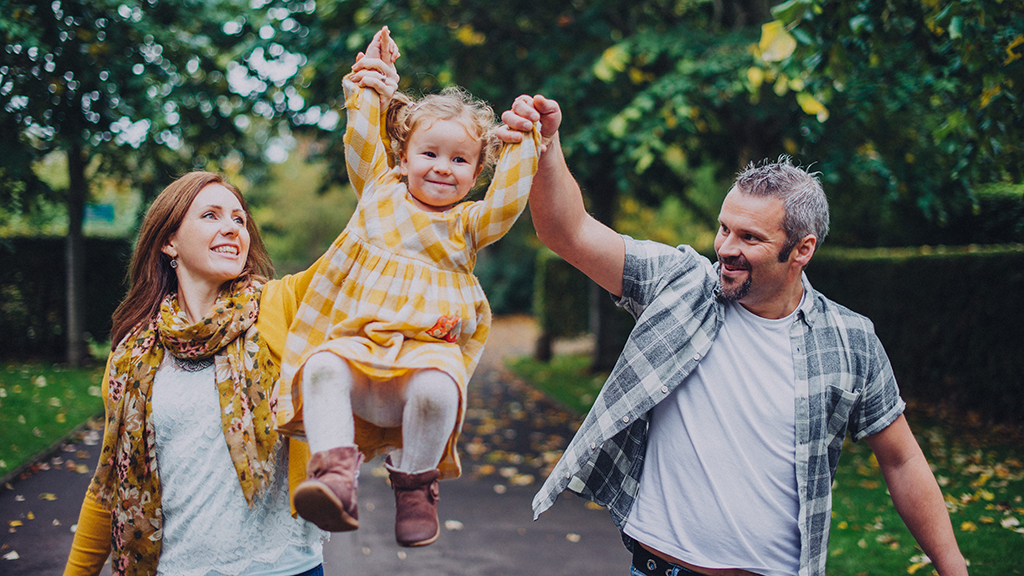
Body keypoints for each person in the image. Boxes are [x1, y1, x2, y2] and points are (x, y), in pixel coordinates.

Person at [498, 95, 969, 576]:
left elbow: (902, 461)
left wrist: (953, 568)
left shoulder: (850, 340)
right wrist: (549, 146)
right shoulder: (681, 285)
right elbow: (568, 232)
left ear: (801, 249)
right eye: (724, 229)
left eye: (749, 237)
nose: (725, 248)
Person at [62, 48, 400, 576]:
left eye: (239, 219)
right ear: (169, 242)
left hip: (285, 569)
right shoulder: (133, 354)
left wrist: (372, 109)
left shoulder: (281, 305)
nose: (232, 228)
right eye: (212, 215)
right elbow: (110, 484)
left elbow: (369, 233)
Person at [274, 27, 540, 548]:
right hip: (359, 347)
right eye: (430, 154)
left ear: (476, 172)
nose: (443, 167)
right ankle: (332, 477)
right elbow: (361, 140)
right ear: (403, 157)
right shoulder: (379, 191)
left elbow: (509, 202)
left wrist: (524, 141)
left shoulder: (468, 226)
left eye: (460, 160)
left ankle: (416, 484)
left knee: (439, 386)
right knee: (323, 366)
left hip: (422, 356)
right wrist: (370, 87)